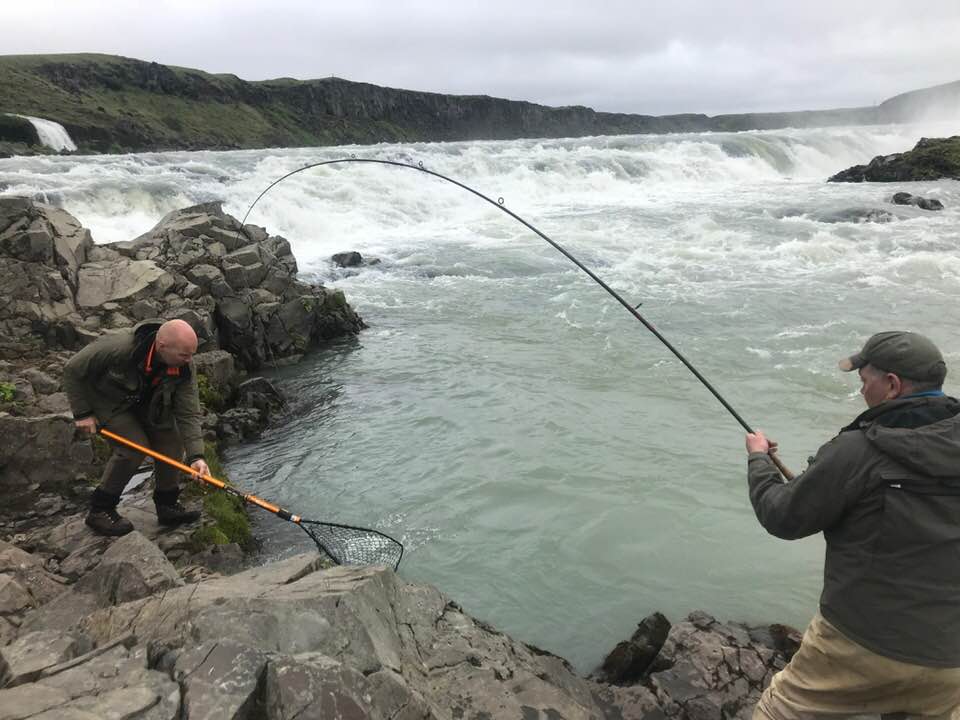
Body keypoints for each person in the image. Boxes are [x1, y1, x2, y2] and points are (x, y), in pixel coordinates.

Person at [745, 331, 960, 720]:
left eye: (864, 382)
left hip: (860, 643)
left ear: (892, 385)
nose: (862, 392)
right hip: (951, 659)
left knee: (778, 712)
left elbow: (781, 516)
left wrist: (759, 461)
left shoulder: (857, 450)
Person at [64, 318, 208, 536]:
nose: (189, 360)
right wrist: (83, 413)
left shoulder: (185, 365)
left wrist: (197, 456)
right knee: (133, 448)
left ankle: (167, 504)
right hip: (108, 402)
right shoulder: (119, 348)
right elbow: (72, 368)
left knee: (171, 440)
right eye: (184, 355)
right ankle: (100, 510)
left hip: (146, 403)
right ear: (162, 347)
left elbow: (188, 411)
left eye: (192, 354)